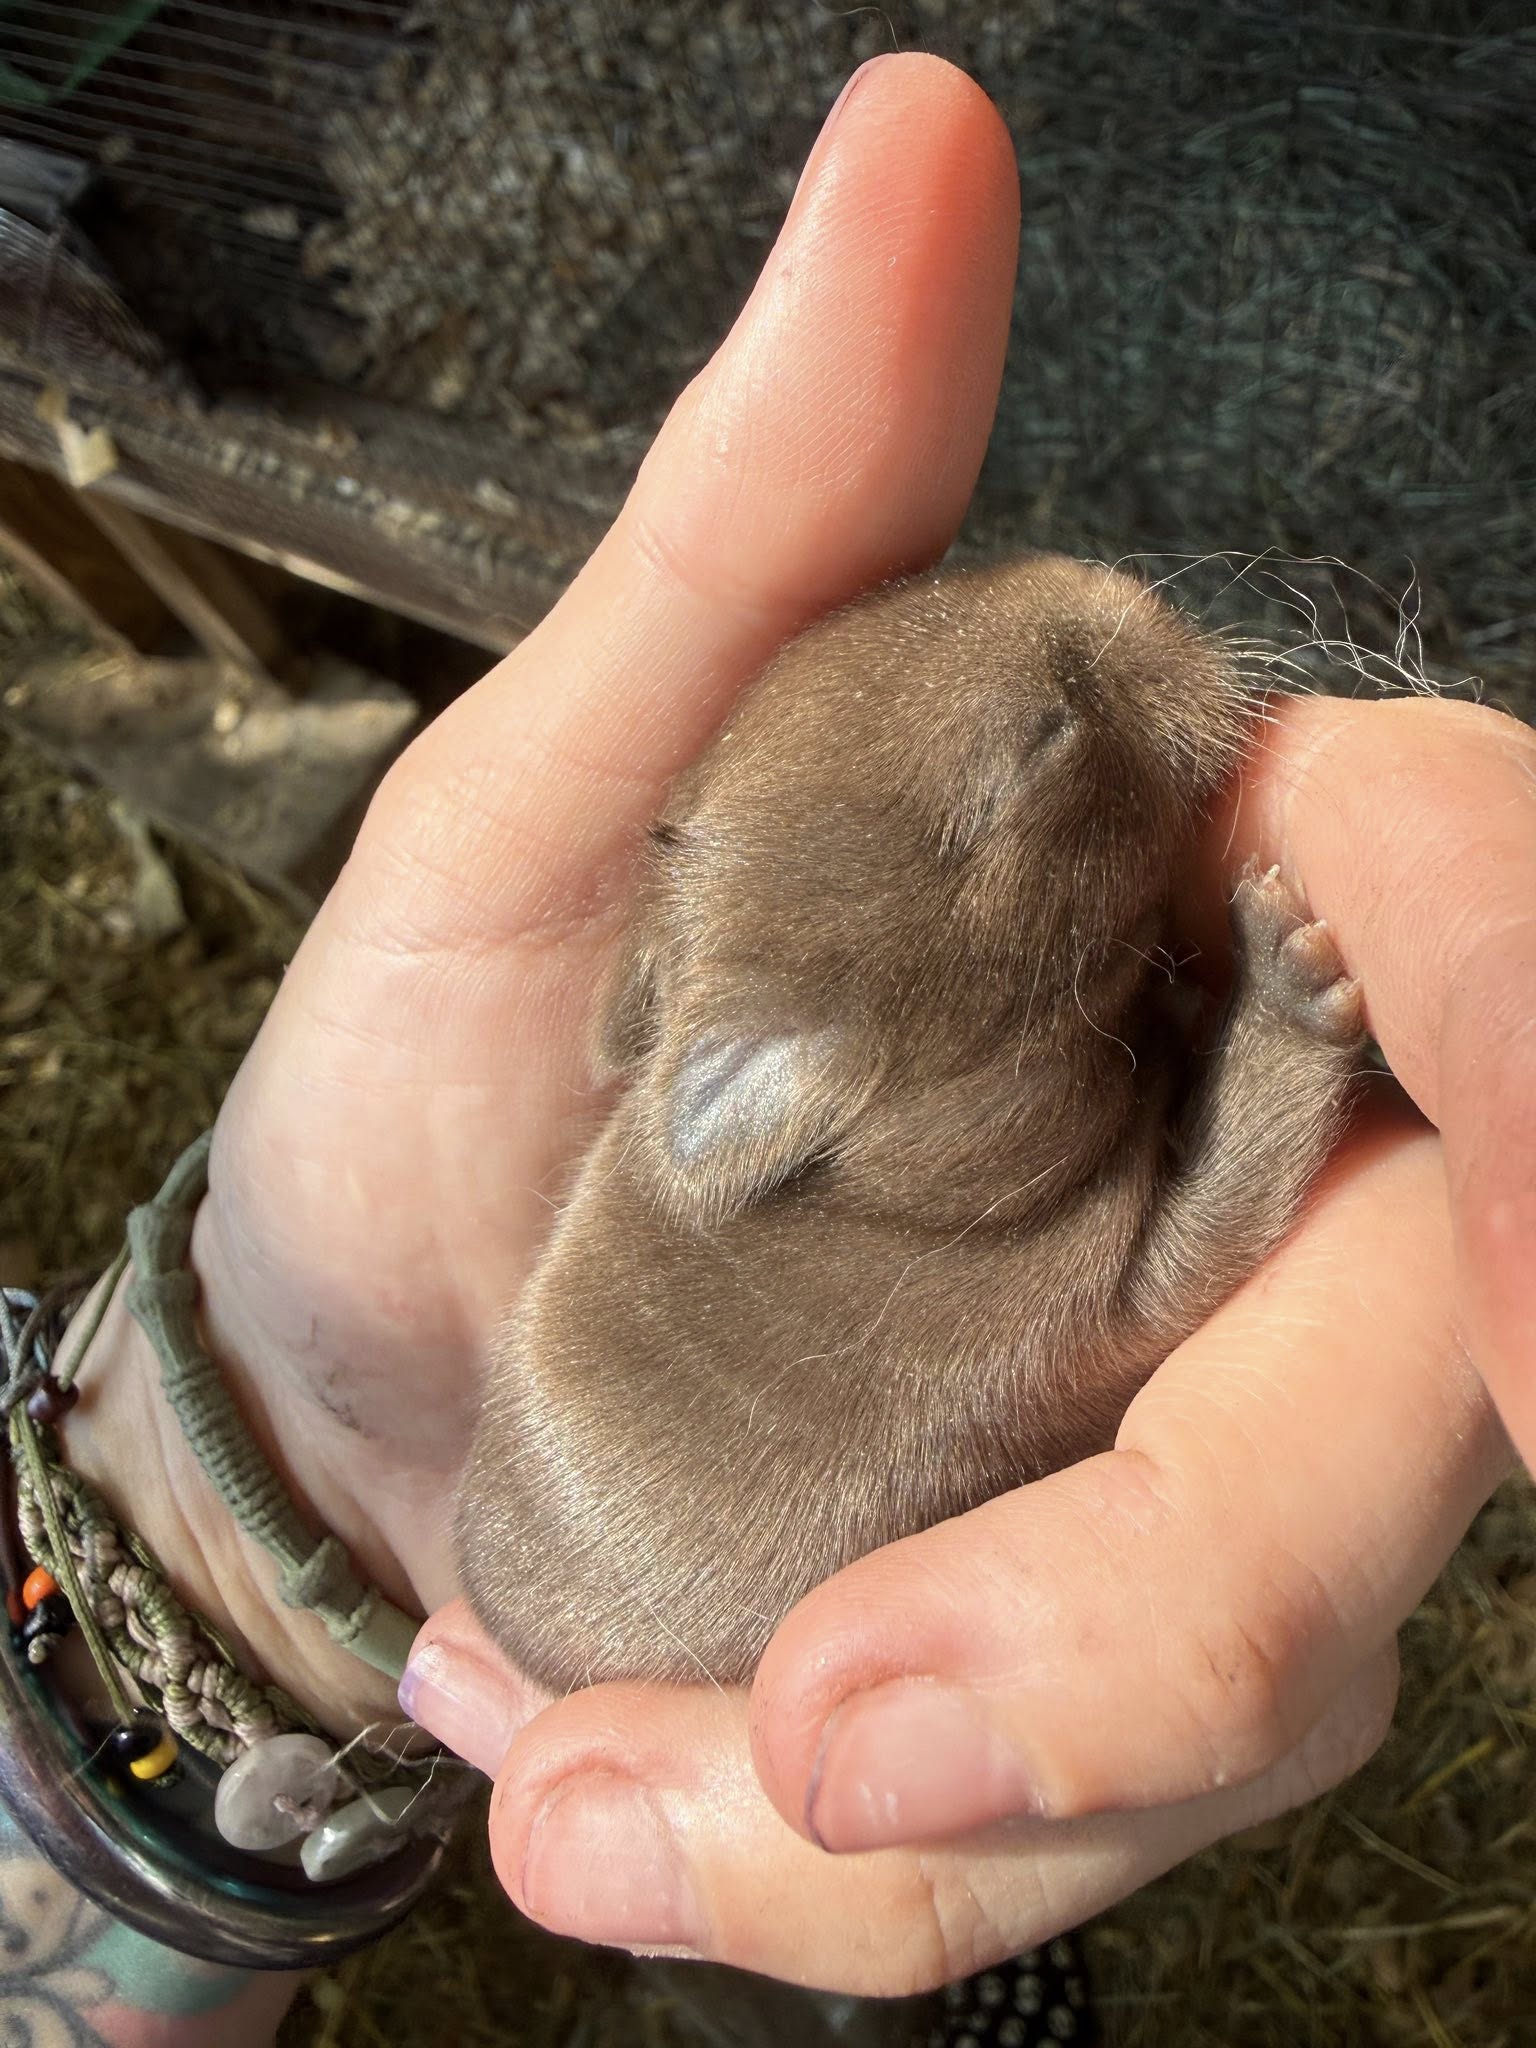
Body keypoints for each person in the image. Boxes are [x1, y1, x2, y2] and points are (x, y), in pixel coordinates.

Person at [20, 50, 1533, 2041]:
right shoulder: (931, 1235)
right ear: (830, 1073)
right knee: (837, 1843)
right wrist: (1268, 1038)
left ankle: (759, 1975)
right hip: (676, 1628)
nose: (1105, 594)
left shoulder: (777, 1073)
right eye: (1042, 744)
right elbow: (1150, 1270)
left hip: (553, 1585)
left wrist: (230, 1501)